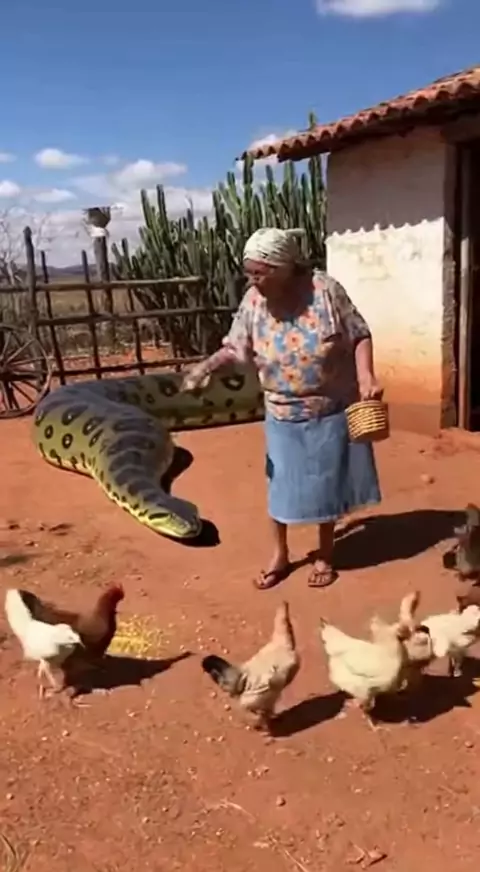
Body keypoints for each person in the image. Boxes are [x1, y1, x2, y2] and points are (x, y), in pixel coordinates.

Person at [182, 227, 382, 589]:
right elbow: (235, 347)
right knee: (280, 486)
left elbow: (359, 333)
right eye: (248, 273)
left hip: (329, 406)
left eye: (259, 273)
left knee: (327, 483)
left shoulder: (325, 291)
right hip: (281, 410)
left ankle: (324, 553)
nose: (252, 280)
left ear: (284, 267)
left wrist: (366, 375)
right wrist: (206, 367)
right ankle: (280, 554)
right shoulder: (253, 301)